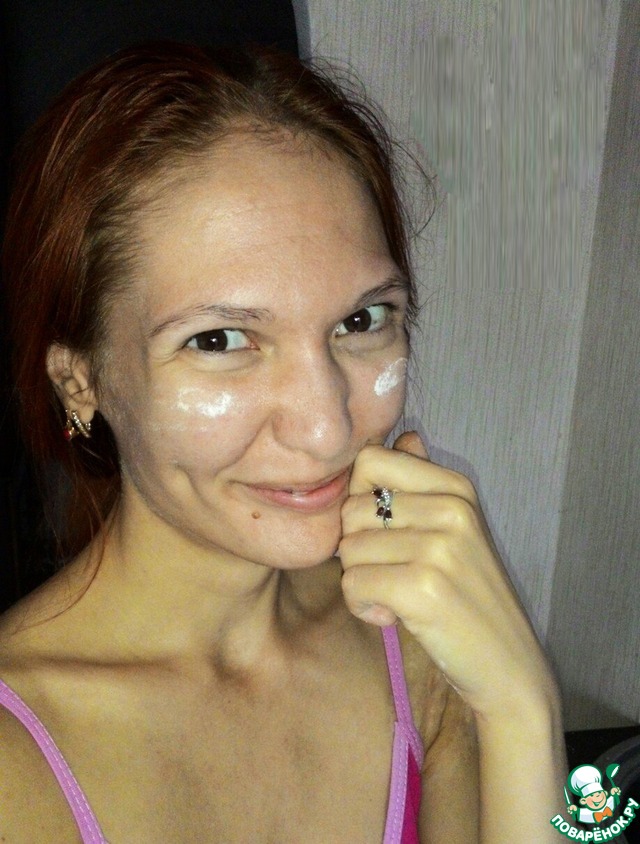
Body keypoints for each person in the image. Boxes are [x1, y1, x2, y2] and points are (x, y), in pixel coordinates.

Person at [0, 42, 565, 842]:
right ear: (79, 382)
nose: (327, 426)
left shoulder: (416, 642)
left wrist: (519, 707)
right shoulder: (15, 759)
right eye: (220, 340)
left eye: (361, 320)